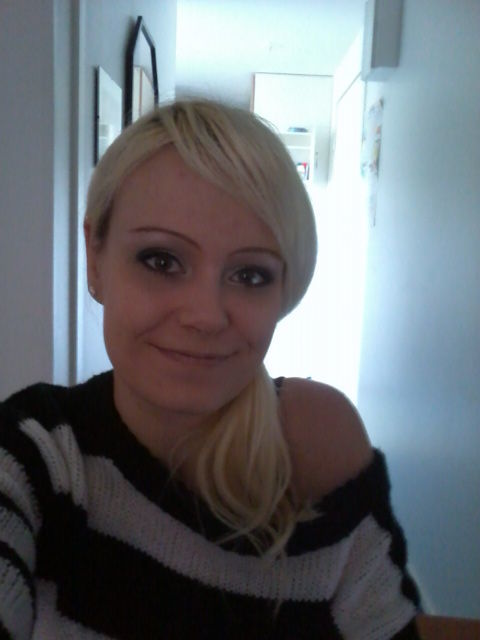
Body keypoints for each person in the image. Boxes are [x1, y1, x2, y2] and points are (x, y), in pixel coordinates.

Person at [0, 99, 421, 639]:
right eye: (161, 260)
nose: (205, 316)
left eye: (250, 275)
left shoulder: (318, 443)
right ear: (95, 259)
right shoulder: (38, 453)